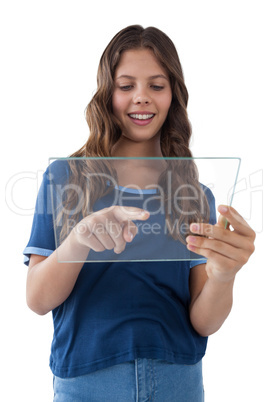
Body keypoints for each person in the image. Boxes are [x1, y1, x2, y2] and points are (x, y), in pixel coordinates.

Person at [23, 25, 255, 401]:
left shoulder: (194, 195)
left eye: (156, 86)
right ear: (106, 93)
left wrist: (224, 275)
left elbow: (204, 320)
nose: (142, 98)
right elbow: (37, 299)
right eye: (126, 85)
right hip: (88, 382)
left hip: (177, 381)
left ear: (173, 95)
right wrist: (80, 239)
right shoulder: (65, 178)